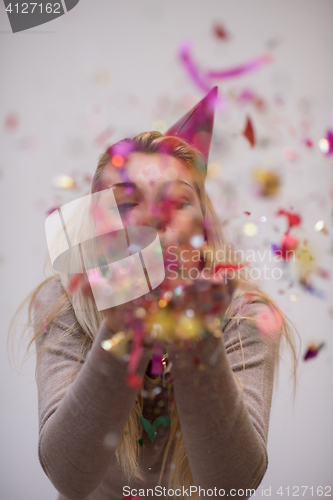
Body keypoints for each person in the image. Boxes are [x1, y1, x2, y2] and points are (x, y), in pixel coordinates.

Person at [14, 88, 298, 500]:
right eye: (128, 202)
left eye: (177, 201)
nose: (154, 218)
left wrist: (197, 338)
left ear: (202, 228)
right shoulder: (64, 304)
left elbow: (234, 485)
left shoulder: (247, 316)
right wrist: (120, 331)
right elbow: (68, 476)